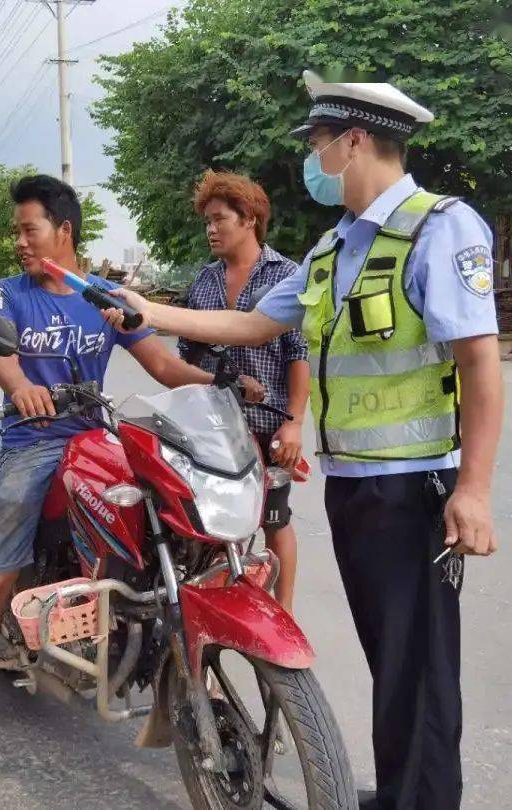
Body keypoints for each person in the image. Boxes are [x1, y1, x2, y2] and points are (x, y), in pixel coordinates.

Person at [105, 71, 503, 810]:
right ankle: (400, 793)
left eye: (318, 145)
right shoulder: (334, 248)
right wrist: (146, 310)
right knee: (391, 658)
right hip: (356, 485)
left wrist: (473, 490)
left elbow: (480, 361)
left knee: (420, 668)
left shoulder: (438, 226)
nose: (311, 161)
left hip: (417, 486)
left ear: (354, 142)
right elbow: (255, 323)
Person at [0, 174, 220, 767]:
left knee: (168, 514)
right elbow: (5, 363)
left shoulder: (105, 299)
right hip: (33, 439)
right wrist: (23, 391)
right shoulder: (2, 295)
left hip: (96, 437)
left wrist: (224, 389)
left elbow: (164, 368)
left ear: (63, 231)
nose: (19, 239)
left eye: (28, 228)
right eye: (17, 229)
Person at [178, 170, 310, 613]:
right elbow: (187, 355)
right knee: (219, 528)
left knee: (276, 520)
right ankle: (218, 618)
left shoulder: (286, 276)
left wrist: (293, 423)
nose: (211, 229)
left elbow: (299, 354)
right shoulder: (204, 281)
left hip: (269, 427)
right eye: (206, 222)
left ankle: (284, 613)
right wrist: (222, 374)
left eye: (220, 219)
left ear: (249, 218)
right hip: (215, 431)